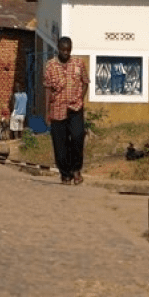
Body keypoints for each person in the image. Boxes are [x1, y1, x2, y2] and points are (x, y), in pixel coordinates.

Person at [44, 36, 89, 185]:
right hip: (57, 110)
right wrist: (47, 112)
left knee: (77, 138)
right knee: (60, 145)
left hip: (75, 108)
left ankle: (76, 170)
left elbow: (85, 82)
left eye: (68, 50)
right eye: (63, 50)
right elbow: (48, 90)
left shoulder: (78, 64)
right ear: (58, 49)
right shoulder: (50, 66)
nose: (66, 53)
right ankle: (65, 174)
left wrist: (80, 99)